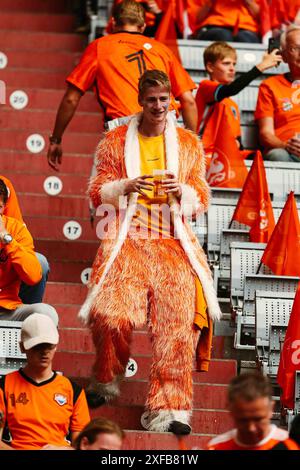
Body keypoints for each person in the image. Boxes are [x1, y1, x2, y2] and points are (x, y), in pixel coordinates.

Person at [78, 69, 221, 435]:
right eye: (151, 99)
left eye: (164, 99)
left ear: (171, 100)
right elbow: (97, 191)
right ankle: (107, 376)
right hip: (128, 240)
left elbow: (202, 197)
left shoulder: (189, 143)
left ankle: (168, 410)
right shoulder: (115, 140)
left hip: (173, 245)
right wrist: (125, 185)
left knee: (177, 327)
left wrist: (182, 194)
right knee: (109, 315)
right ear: (140, 101)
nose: (158, 106)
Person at [47, 0, 197, 171]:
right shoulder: (162, 50)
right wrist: (192, 145)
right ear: (143, 27)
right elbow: (189, 101)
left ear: (112, 23)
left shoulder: (100, 46)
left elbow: (71, 99)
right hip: (165, 128)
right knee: (161, 194)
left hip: (123, 131)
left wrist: (56, 139)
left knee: (107, 193)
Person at [0, 313, 90, 450]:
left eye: (49, 346)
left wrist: (63, 450)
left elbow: (83, 447)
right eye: (37, 346)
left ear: (56, 345)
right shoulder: (4, 385)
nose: (44, 352)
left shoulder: (73, 390)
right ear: (22, 347)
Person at [196, 41, 282, 155]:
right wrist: (262, 65)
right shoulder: (205, 87)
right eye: (226, 63)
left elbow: (237, 140)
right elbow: (232, 89)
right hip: (207, 154)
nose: (232, 69)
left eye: (234, 64)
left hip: (229, 155)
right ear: (210, 67)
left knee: (261, 157)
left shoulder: (232, 104)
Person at [0, 179, 57, 323]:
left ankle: (31, 337)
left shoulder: (15, 229)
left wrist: (6, 238)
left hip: (7, 309)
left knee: (46, 313)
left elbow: (33, 276)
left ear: (4, 207)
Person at [207, 372, 299, 450]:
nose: (251, 428)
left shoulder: (289, 445)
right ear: (230, 409)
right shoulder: (216, 446)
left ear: (271, 408)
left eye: (258, 419)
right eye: (243, 420)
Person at [255, 25, 300, 162]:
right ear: (284, 56)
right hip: (287, 152)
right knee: (277, 155)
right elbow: (266, 134)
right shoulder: (270, 86)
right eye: (295, 48)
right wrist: (286, 146)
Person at [193, 0, 262, 43]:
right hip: (214, 26)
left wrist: (248, 1)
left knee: (244, 38)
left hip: (247, 28)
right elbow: (197, 18)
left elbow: (262, 18)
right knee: (223, 35)